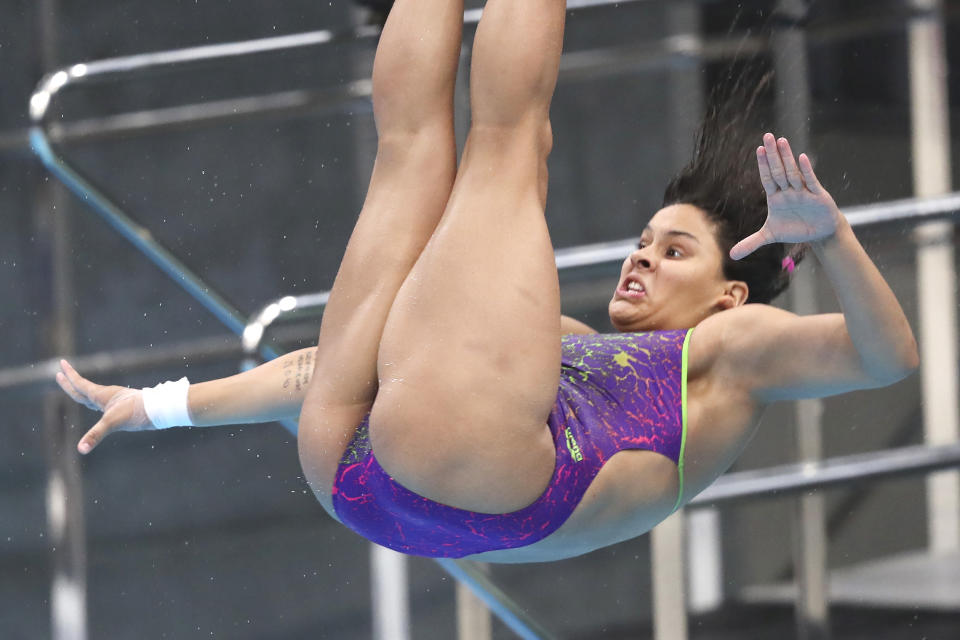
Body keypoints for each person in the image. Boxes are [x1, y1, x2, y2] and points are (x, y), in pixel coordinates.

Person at [56, 0, 919, 563]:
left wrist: (834, 240)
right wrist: (161, 404)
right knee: (411, 156)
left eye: (675, 253)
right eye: (644, 240)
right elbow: (320, 371)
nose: (640, 258)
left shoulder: (731, 348)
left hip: (446, 476)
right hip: (359, 481)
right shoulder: (557, 356)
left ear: (730, 293)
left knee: (508, 147)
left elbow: (887, 361)